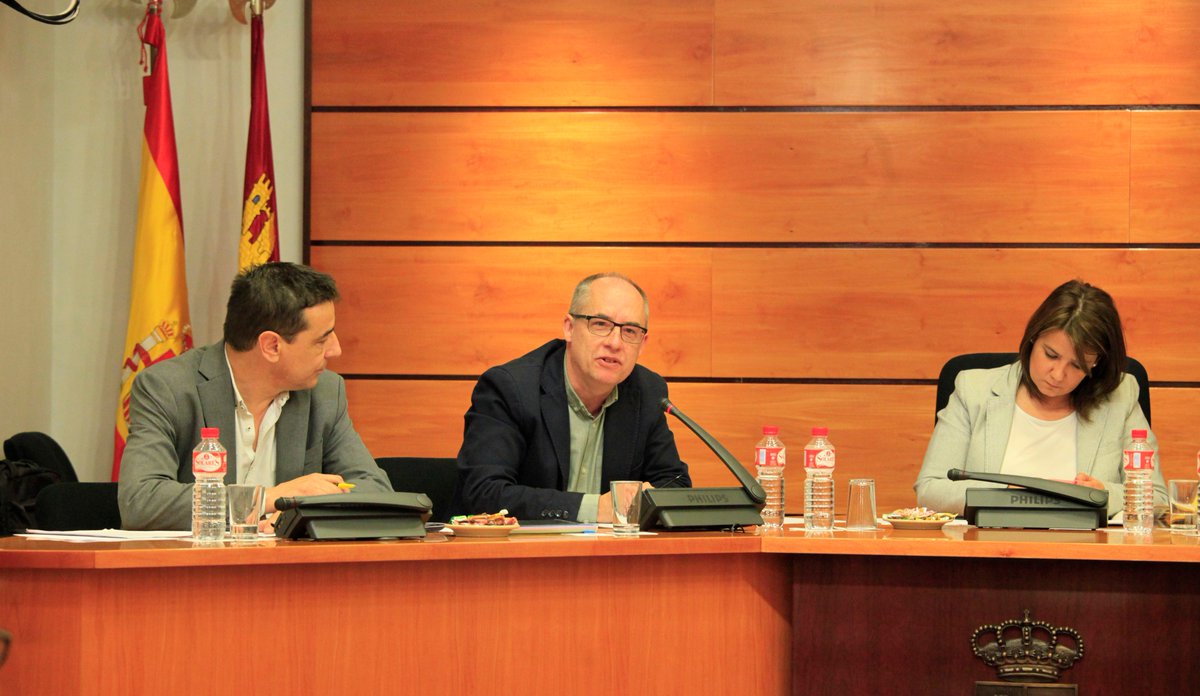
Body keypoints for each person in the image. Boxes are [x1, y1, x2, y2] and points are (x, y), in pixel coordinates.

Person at [119, 262, 392, 530]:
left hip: (289, 570)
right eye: (321, 340)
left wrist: (301, 513)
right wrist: (268, 499)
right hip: (197, 570)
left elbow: (375, 490)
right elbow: (141, 501)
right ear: (272, 346)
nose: (336, 350)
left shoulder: (325, 393)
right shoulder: (169, 388)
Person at [915, 279, 1167, 518]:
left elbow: (1155, 498)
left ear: (1096, 364)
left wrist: (1101, 495)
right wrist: (1005, 496)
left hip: (1086, 556)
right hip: (990, 552)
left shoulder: (1120, 397)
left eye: (1077, 366)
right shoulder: (975, 390)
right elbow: (930, 490)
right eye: (1051, 355)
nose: (1058, 375)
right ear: (1033, 338)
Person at [455, 272, 691, 522]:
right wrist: (592, 509)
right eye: (600, 324)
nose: (615, 342)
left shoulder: (647, 391)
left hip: (608, 558)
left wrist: (647, 500)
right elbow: (483, 493)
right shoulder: (511, 388)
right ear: (569, 328)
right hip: (516, 556)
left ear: (642, 344)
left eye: (630, 331)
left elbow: (674, 486)